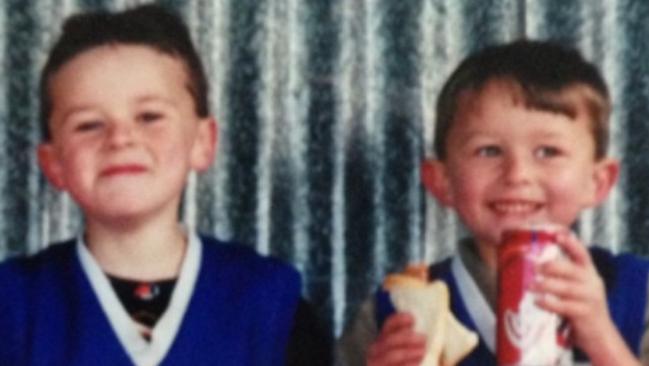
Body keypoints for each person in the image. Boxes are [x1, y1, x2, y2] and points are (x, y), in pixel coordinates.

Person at [0, 4, 330, 365]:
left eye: (149, 117)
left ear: (203, 141)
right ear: (54, 163)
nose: (120, 138)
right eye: (89, 124)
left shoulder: (271, 305)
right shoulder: (13, 307)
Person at [336, 40, 649, 365]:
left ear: (598, 182)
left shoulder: (637, 296)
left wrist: (602, 339)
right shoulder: (394, 312)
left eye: (548, 151)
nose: (517, 174)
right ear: (441, 181)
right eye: (488, 151)